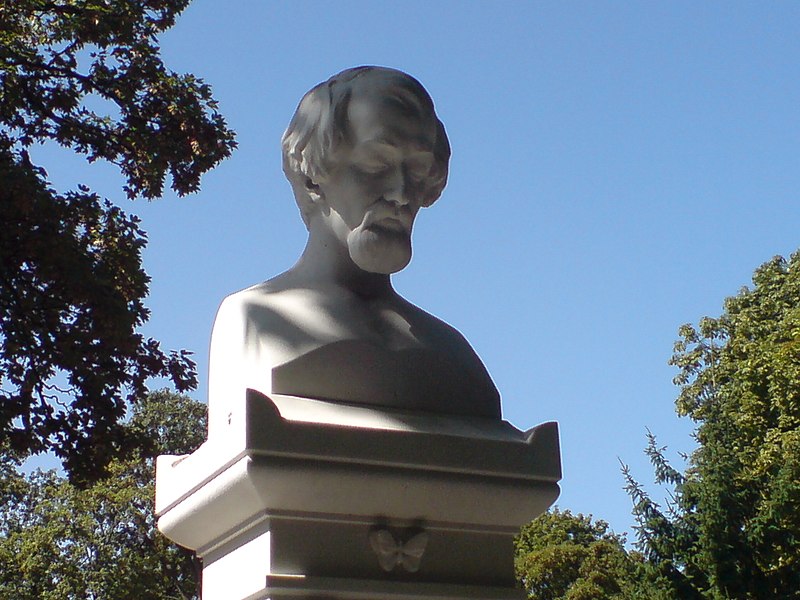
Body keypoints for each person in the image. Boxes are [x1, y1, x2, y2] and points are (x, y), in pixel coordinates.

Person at [207, 67, 500, 441]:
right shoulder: (253, 320)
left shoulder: (455, 355)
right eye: (376, 163)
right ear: (312, 177)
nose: (401, 191)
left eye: (417, 168)